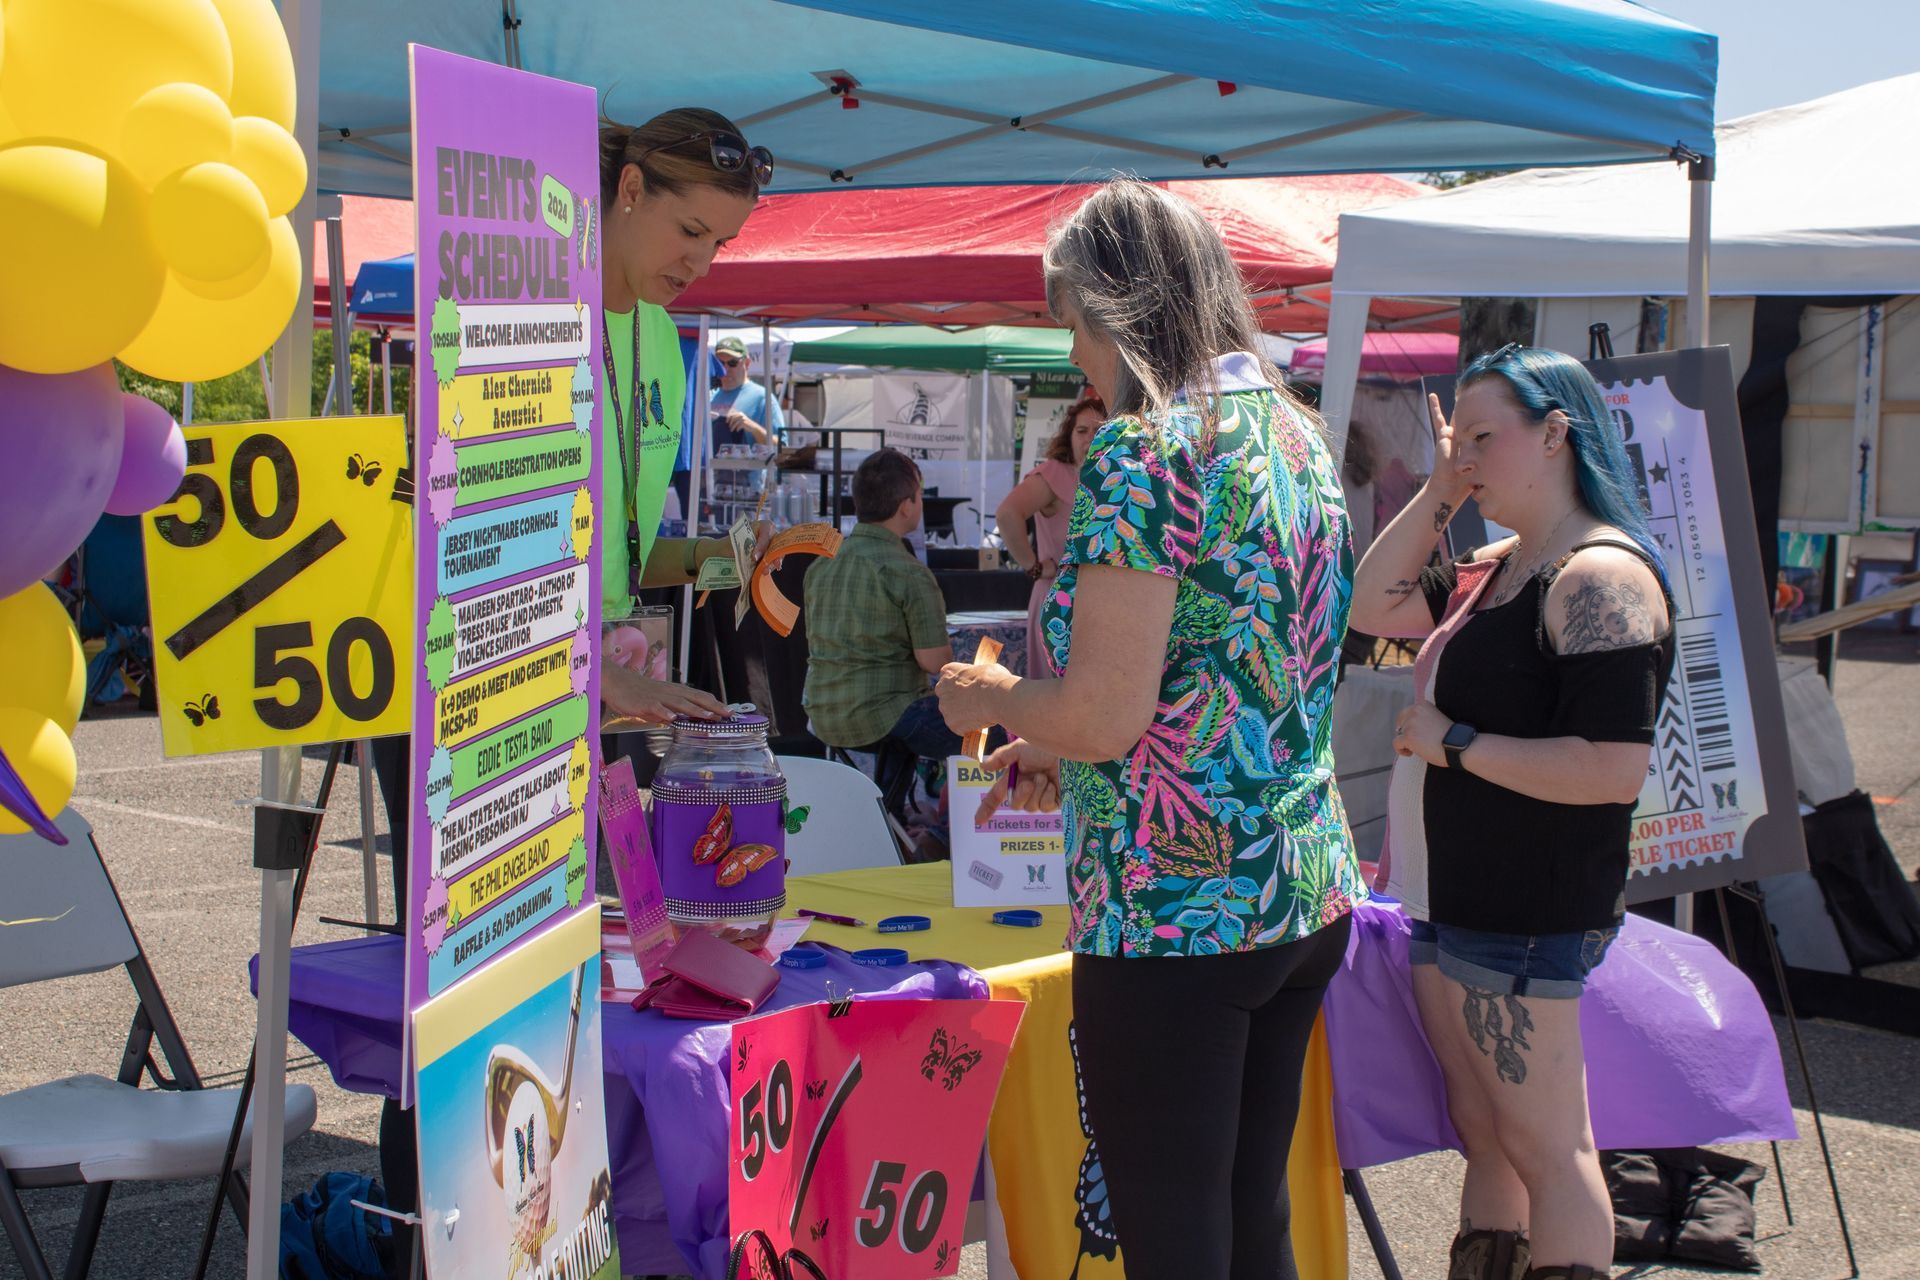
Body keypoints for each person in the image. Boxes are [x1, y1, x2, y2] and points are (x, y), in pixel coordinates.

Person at [935, 178, 1366, 1280]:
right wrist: (1053, 742)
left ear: (1116, 307)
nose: (1074, 351)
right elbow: (1222, 675)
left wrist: (993, 700)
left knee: (1178, 1241)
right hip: (1294, 880)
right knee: (1249, 1222)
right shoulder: (1294, 432)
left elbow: (1101, 711)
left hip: (1177, 908)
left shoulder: (1149, 448)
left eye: (1073, 320)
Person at [1348, 345, 1675, 1280]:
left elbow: (1611, 769)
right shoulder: (1502, 565)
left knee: (1546, 1146)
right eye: (1458, 436)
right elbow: (1371, 602)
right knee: (1487, 1131)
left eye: (1484, 437)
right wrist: (1443, 485)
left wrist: (1454, 743)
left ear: (1555, 434)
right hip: (1451, 894)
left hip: (1526, 907)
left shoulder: (1601, 578)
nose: (1467, 454)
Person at [597, 107, 776, 723]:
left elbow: (621, 554)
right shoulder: (535, 321)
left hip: (605, 682)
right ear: (631, 189)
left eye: (718, 243)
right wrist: (595, 673)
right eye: (691, 231)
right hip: (518, 680)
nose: (701, 264)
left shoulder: (663, 340)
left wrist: (713, 554)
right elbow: (483, 551)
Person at [802, 448, 963, 765]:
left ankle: (894, 797)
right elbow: (935, 662)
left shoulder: (821, 565)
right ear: (906, 506)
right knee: (996, 729)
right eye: (919, 495)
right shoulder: (909, 573)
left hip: (822, 712)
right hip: (885, 716)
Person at [996, 391, 1104, 678]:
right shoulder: (1055, 473)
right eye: (1082, 430)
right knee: (1054, 692)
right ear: (1069, 436)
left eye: (1099, 431)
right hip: (1058, 604)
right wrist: (1033, 566)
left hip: (1100, 604)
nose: (1089, 438)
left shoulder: (1114, 480)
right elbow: (1007, 514)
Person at [709, 335, 785, 448]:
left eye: (732, 363)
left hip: (748, 460)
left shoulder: (763, 398)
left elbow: (781, 446)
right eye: (720, 363)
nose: (725, 369)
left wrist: (752, 427)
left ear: (747, 363)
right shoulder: (709, 397)